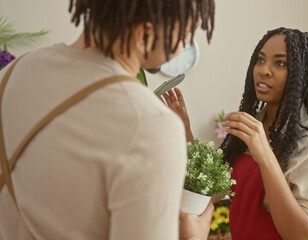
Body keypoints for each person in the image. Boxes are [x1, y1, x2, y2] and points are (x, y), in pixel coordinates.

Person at [0, 0, 215, 239]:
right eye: (186, 32)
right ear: (145, 33)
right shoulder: (150, 124)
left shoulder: (14, 72)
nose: (186, 43)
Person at [162, 27, 308, 240]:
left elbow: (303, 235)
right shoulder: (252, 127)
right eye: (260, 60)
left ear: (305, 76)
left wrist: (264, 155)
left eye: (279, 63)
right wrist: (183, 128)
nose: (264, 70)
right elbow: (211, 189)